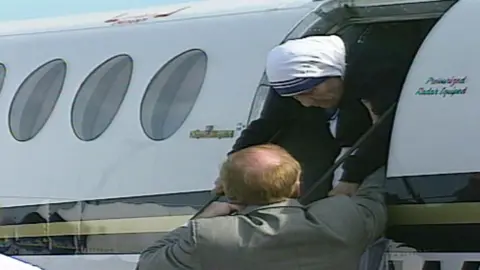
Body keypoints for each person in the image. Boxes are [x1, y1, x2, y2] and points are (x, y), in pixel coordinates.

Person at [136, 144, 387, 270]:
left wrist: (199, 220)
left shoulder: (207, 236)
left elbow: (148, 263)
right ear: (298, 186)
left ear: (231, 194)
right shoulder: (344, 218)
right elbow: (374, 194)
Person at [226, 35, 399, 202]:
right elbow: (267, 124)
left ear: (333, 72)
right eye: (297, 97)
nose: (307, 103)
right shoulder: (290, 86)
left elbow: (385, 126)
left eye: (311, 91)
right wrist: (233, 168)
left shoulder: (373, 76)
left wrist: (352, 178)